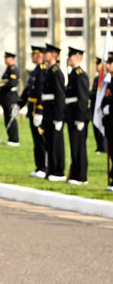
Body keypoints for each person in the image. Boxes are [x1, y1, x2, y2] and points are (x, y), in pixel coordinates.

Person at [39, 43, 66, 181]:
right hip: (48, 112)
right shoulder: (49, 70)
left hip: (54, 113)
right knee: (50, 143)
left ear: (53, 55)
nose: (44, 55)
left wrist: (59, 117)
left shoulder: (56, 72)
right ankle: (52, 169)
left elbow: (60, 96)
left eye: (46, 53)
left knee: (56, 144)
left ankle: (58, 171)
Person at [19, 45, 47, 177]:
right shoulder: (35, 71)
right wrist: (19, 104)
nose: (32, 57)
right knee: (36, 141)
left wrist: (40, 111)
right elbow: (28, 90)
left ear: (40, 55)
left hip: (38, 111)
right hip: (32, 110)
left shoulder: (43, 71)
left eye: (34, 54)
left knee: (42, 141)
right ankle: (39, 166)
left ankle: (44, 167)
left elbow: (41, 93)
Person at [64, 48, 89, 185]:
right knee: (74, 146)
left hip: (77, 116)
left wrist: (80, 118)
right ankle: (75, 174)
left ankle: (81, 176)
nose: (69, 58)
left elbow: (82, 98)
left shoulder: (80, 74)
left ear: (78, 57)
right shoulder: (73, 73)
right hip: (71, 114)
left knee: (79, 146)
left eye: (71, 56)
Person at [0, 51, 20, 146]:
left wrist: (2, 87)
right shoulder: (8, 69)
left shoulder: (13, 69)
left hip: (11, 96)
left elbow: (11, 83)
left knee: (11, 117)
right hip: (6, 96)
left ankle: (15, 139)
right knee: (7, 117)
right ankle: (10, 137)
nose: (5, 60)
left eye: (7, 58)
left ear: (12, 59)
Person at [101, 53, 113, 191]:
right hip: (109, 123)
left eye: (110, 63)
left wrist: (109, 108)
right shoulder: (110, 81)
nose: (108, 65)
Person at [90, 57, 105, 154]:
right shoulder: (97, 78)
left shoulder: (104, 78)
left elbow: (98, 93)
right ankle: (99, 146)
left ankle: (103, 147)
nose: (96, 66)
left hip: (101, 107)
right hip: (94, 106)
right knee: (95, 128)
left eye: (98, 64)